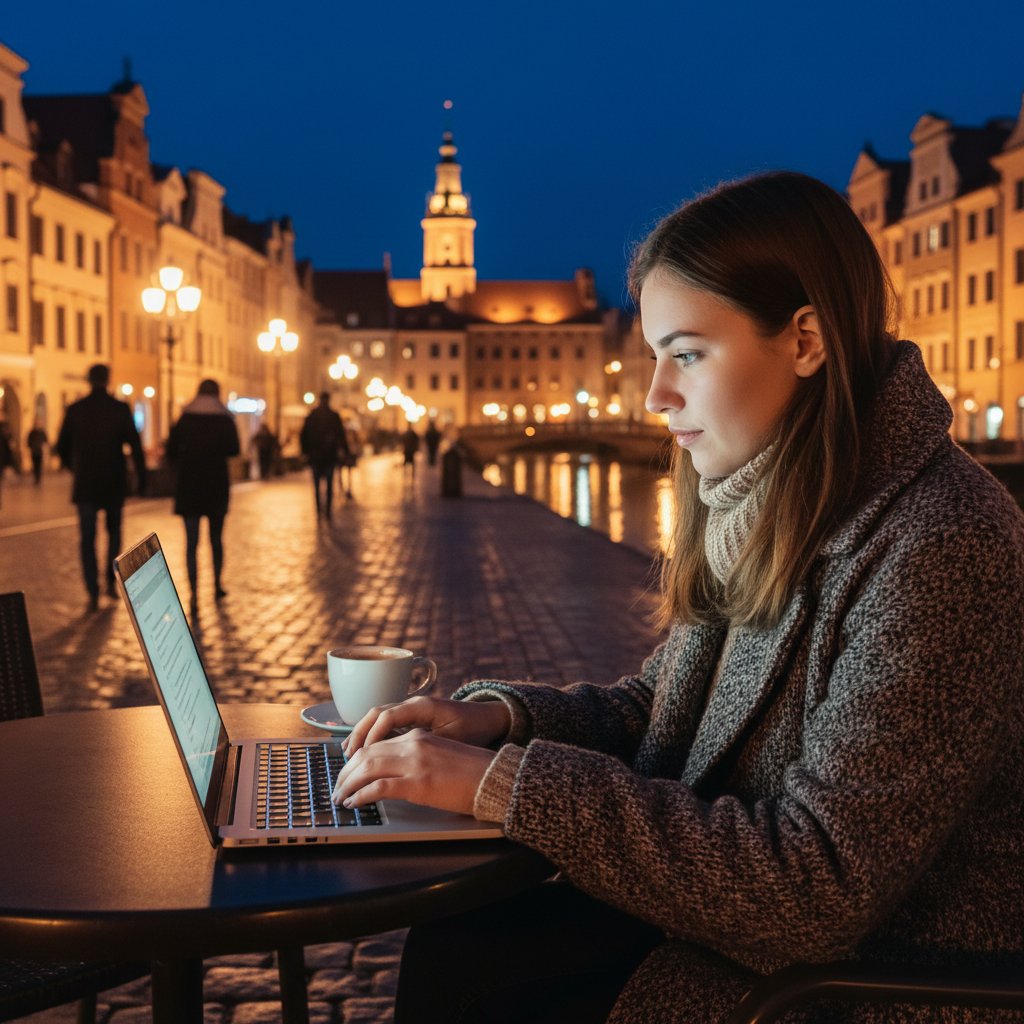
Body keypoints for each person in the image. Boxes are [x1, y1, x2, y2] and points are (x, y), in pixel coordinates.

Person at [331, 172, 1024, 1024]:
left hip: (859, 984)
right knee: (462, 947)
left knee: (477, 979)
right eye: (653, 356)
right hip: (753, 938)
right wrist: (500, 726)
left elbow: (816, 889)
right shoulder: (772, 494)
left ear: (806, 340)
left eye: (686, 354)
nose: (654, 396)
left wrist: (506, 786)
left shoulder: (941, 543)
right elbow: (665, 709)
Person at [56, 363, 147, 611]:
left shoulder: (76, 409)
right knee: (114, 532)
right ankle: (109, 580)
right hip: (113, 481)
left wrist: (74, 467)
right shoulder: (119, 409)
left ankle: (92, 588)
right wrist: (142, 477)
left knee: (87, 537)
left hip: (86, 482)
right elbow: (136, 446)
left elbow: (61, 446)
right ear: (107, 380)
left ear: (88, 380)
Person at [165, 379, 240, 605]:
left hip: (189, 486)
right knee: (216, 539)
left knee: (191, 542)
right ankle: (217, 584)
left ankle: (193, 591)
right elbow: (234, 449)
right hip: (216, 485)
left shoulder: (186, 418)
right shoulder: (224, 419)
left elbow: (170, 450)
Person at [300, 392, 345, 516]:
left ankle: (320, 509)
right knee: (329, 484)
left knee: (317, 485)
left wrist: (305, 452)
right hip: (329, 456)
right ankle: (327, 510)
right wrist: (344, 451)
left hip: (316, 456)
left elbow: (303, 435)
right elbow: (341, 436)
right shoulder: (333, 416)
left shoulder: (312, 415)